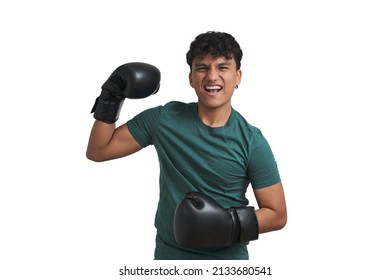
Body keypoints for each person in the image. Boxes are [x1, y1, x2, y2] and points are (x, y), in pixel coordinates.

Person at [86, 31, 287, 260]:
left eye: (222, 67)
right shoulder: (163, 120)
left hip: (227, 264)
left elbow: (277, 215)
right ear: (191, 78)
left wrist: (227, 223)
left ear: (238, 76)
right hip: (169, 260)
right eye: (202, 68)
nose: (212, 76)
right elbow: (98, 150)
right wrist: (110, 97)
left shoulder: (252, 141)